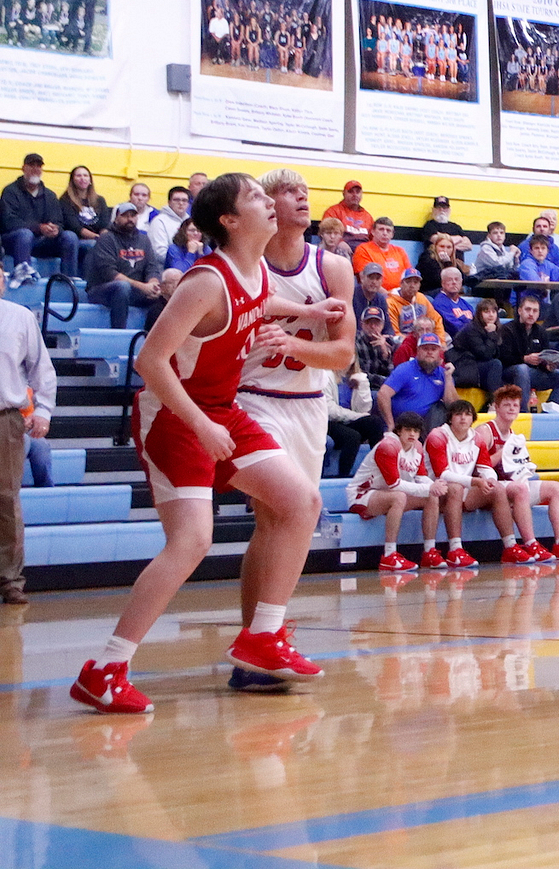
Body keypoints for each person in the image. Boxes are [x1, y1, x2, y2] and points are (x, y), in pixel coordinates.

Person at [71, 174, 339, 714]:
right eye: (256, 197)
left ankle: (263, 635)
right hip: (175, 416)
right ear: (230, 221)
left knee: (301, 502)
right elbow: (150, 361)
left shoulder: (255, 270)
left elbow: (257, 304)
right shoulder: (206, 281)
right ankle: (105, 669)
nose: (269, 202)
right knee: (192, 541)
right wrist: (199, 424)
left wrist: (307, 314)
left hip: (221, 410)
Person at [236, 168, 355, 534]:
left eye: (304, 190)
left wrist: (291, 344)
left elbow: (343, 355)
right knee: (278, 507)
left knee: (291, 523)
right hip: (252, 396)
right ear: (267, 204)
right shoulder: (243, 264)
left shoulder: (333, 267)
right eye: (289, 191)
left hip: (308, 401)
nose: (303, 196)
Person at [473, 384, 559, 562]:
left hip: (509, 485)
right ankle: (530, 544)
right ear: (496, 407)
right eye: (507, 405)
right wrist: (503, 452)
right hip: (486, 489)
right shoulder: (485, 431)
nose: (512, 408)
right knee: (519, 489)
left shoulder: (514, 435)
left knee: (556, 488)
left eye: (515, 405)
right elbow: (475, 468)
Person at [0, 270, 54, 603]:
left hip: (5, 419)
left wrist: (43, 411)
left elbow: (41, 369)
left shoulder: (20, 317)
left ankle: (10, 581)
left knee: (6, 500)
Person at [345, 413, 454, 572]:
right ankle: (389, 555)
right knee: (399, 496)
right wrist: (429, 488)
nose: (412, 434)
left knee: (431, 496)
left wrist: (436, 486)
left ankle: (429, 552)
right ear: (399, 430)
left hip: (386, 494)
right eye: (408, 430)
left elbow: (420, 476)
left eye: (416, 431)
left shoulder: (417, 447)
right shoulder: (388, 446)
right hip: (363, 495)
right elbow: (394, 484)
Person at [420, 399, 493, 568]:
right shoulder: (437, 436)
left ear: (473, 418)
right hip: (432, 489)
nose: (463, 418)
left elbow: (486, 467)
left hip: (461, 489)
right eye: (458, 414)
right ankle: (455, 549)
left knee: (498, 490)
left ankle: (512, 546)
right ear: (450, 418)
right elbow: (442, 474)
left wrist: (490, 480)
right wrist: (474, 481)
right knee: (455, 488)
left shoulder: (477, 438)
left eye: (467, 414)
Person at [85, 202, 164, 329]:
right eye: (125, 215)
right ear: (116, 218)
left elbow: (152, 267)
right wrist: (143, 287)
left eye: (133, 216)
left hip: (134, 290)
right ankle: (118, 332)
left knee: (166, 292)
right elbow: (109, 273)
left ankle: (152, 334)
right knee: (122, 287)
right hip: (102, 290)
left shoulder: (144, 240)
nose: (130, 219)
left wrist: (153, 284)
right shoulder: (106, 239)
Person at [3, 153, 79, 282]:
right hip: (16, 241)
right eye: (31, 165)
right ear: (23, 168)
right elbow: (8, 222)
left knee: (70, 237)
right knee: (25, 234)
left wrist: (55, 230)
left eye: (38, 166)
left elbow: (59, 222)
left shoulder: (50, 195)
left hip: (43, 241)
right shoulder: (10, 191)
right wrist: (39, 228)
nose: (35, 169)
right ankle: (24, 276)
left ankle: (69, 279)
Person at [498, 293, 559, 413]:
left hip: (533, 373)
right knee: (522, 369)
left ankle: (549, 412)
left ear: (539, 314)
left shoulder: (541, 331)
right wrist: (525, 359)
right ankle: (523, 411)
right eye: (528, 309)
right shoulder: (507, 329)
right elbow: (502, 357)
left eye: (535, 311)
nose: (531, 314)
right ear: (519, 311)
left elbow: (544, 356)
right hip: (511, 372)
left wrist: (548, 366)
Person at [376, 331, 456, 433]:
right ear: (418, 351)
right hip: (401, 426)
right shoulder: (405, 369)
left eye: (433, 349)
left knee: (440, 408)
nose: (429, 352)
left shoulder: (443, 373)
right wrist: (390, 424)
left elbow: (452, 406)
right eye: (425, 349)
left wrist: (448, 378)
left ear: (440, 352)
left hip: (425, 425)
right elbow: (383, 394)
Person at [450, 297, 507, 397]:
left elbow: (498, 353)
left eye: (493, 311)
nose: (491, 315)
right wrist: (491, 334)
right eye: (486, 311)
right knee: (495, 364)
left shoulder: (496, 328)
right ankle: (495, 400)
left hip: (479, 364)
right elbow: (484, 354)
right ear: (479, 314)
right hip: (465, 366)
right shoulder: (471, 329)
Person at [385, 268, 446, 361]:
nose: (412, 285)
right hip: (405, 341)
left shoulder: (421, 298)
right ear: (401, 283)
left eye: (415, 282)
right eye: (408, 282)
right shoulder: (391, 303)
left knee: (447, 340)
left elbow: (436, 320)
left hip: (425, 336)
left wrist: (441, 341)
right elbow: (394, 332)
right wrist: (416, 341)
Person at [353, 217, 408, 291]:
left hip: (402, 294)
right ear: (373, 232)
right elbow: (366, 280)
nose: (385, 233)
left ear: (392, 234)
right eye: (381, 229)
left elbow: (409, 277)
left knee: (422, 297)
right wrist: (390, 295)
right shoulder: (363, 249)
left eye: (388, 230)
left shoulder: (400, 251)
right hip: (378, 294)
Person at [59, 165, 109, 246]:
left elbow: (105, 225)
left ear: (90, 180)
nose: (82, 178)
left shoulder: (100, 200)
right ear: (72, 180)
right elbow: (75, 227)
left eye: (85, 175)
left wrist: (104, 238)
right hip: (77, 241)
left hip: (98, 239)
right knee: (92, 244)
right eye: (78, 176)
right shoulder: (65, 200)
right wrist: (96, 237)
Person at [322, 180, 373, 246]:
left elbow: (374, 239)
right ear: (343, 194)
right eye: (350, 192)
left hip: (363, 249)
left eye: (357, 192)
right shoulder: (333, 211)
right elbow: (327, 234)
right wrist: (340, 243)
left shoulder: (368, 216)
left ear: (361, 195)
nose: (355, 195)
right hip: (340, 247)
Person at [147, 186, 190, 259]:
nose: (181, 203)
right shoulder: (159, 221)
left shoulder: (191, 222)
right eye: (176, 200)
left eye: (184, 200)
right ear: (169, 202)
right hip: (167, 264)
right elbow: (159, 253)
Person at [431, 267, 475, 335]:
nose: (454, 282)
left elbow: (478, 323)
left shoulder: (466, 304)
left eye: (457, 279)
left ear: (461, 282)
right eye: (449, 280)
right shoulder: (439, 303)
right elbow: (455, 328)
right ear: (443, 283)